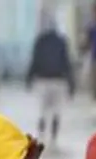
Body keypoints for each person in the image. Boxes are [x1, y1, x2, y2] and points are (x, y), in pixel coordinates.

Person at [27, 16, 75, 144]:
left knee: (43, 109)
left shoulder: (40, 41)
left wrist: (29, 78)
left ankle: (41, 135)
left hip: (43, 80)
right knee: (56, 109)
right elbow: (67, 63)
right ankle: (54, 137)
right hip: (58, 80)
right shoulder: (61, 41)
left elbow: (34, 60)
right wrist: (71, 83)